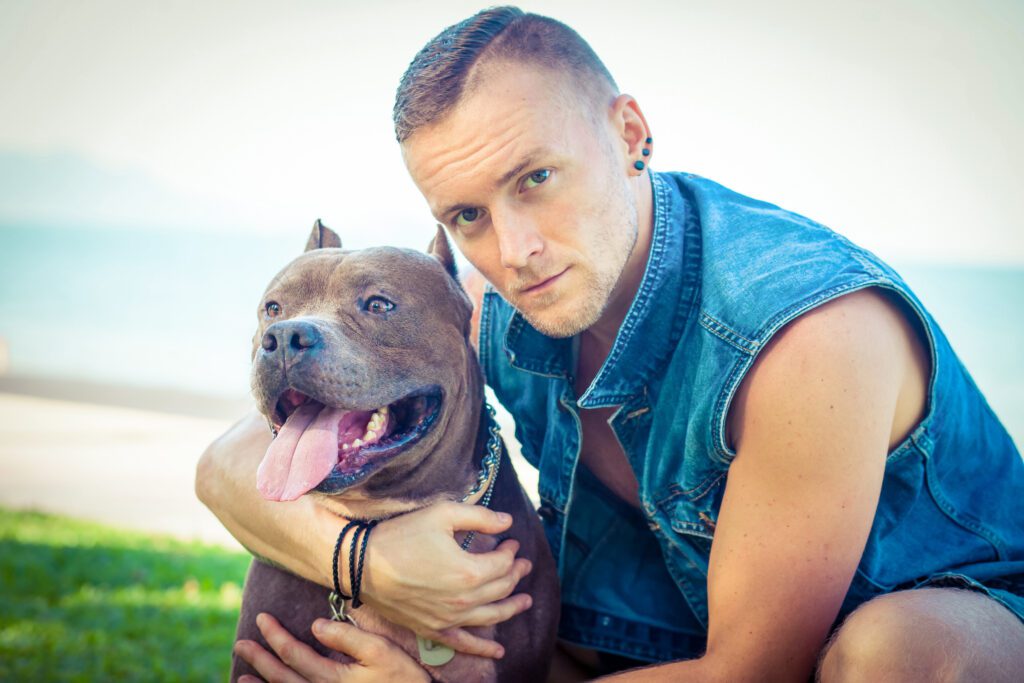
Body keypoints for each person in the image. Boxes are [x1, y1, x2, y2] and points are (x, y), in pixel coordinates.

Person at [198, 7, 1024, 681]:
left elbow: (752, 669)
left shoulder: (809, 332)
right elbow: (224, 468)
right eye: (467, 215)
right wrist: (369, 563)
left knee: (896, 655)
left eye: (536, 178)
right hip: (651, 635)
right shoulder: (490, 299)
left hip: (928, 631)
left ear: (630, 133)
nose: (514, 248)